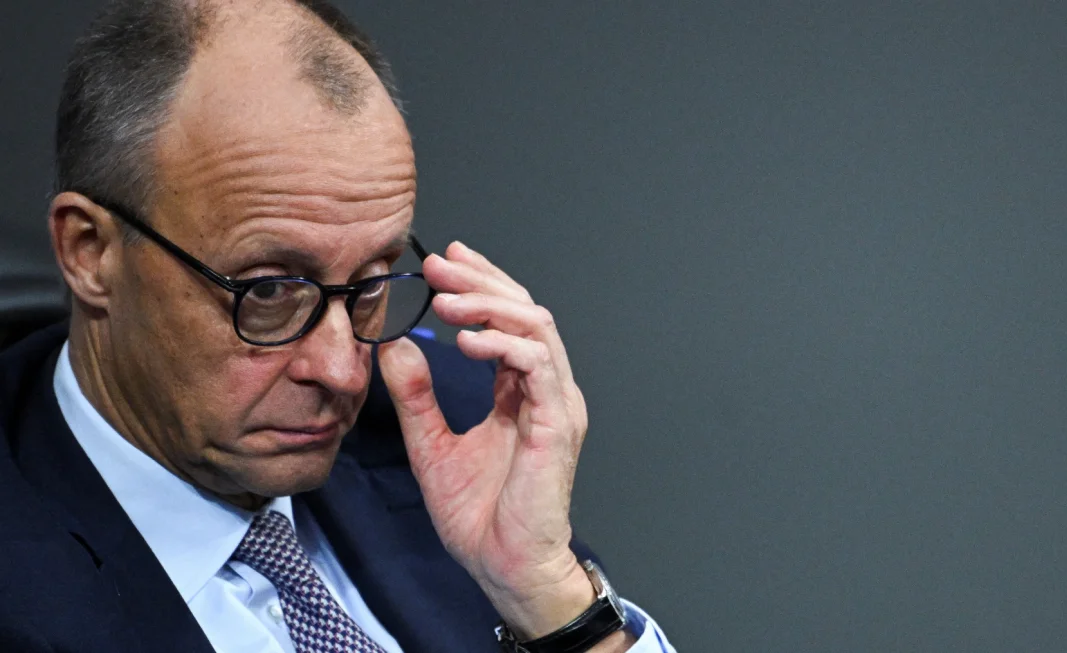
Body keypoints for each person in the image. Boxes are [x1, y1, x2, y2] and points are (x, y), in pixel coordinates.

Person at [0, 1, 676, 651]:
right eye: (269, 291)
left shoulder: (454, 424)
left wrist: (548, 597)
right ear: (90, 251)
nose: (343, 371)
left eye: (371, 283)